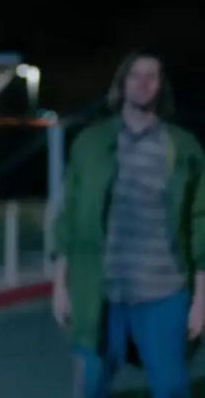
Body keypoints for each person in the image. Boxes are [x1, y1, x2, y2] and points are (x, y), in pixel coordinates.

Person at [52, 51, 205, 398]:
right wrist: (60, 285)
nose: (143, 83)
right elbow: (70, 215)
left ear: (161, 87)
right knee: (89, 385)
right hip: (100, 293)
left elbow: (200, 221)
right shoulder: (90, 144)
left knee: (170, 387)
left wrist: (201, 300)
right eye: (135, 75)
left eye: (152, 76)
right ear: (121, 84)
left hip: (164, 292)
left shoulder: (183, 147)